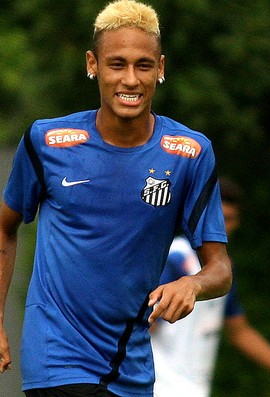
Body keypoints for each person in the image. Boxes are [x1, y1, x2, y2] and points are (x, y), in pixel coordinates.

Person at [0, 1, 232, 396]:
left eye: (143, 65)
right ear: (93, 65)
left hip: (132, 365)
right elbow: (4, 230)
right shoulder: (47, 141)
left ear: (160, 68)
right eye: (116, 64)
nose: (130, 79)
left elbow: (220, 268)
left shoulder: (189, 153)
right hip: (56, 356)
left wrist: (191, 285)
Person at [151, 177, 270, 397]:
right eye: (217, 219)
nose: (221, 228)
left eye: (228, 220)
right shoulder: (175, 258)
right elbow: (142, 323)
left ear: (237, 222)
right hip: (158, 385)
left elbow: (239, 331)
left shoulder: (221, 272)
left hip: (192, 388)